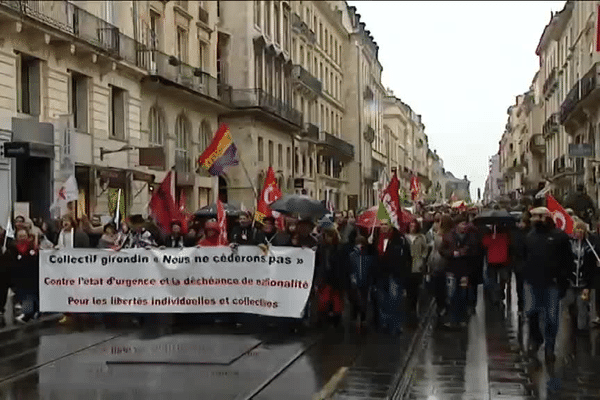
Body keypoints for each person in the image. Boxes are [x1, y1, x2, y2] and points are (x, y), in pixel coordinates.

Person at [523, 207, 574, 364]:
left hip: (552, 283)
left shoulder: (559, 237)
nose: (535, 219)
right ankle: (536, 339)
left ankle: (550, 347)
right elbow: (524, 256)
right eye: (533, 217)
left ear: (546, 217)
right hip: (533, 281)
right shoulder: (530, 236)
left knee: (552, 317)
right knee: (532, 312)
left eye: (538, 216)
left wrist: (563, 281)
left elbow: (568, 260)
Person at [440, 214, 480, 328]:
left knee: (462, 295)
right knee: (452, 295)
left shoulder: (470, 236)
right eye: (462, 224)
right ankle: (453, 319)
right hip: (451, 269)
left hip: (464, 270)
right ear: (457, 225)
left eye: (465, 223)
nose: (465, 226)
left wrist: (466, 251)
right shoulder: (448, 236)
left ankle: (462, 319)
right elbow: (442, 250)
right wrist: (452, 253)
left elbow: (475, 250)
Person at [374, 221, 412, 334]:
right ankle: (384, 323)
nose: (383, 227)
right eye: (381, 225)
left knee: (394, 300)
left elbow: (407, 258)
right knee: (383, 300)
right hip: (381, 274)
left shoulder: (400, 240)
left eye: (385, 224)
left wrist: (405, 274)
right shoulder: (376, 239)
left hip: (395, 274)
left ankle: (395, 325)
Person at [565, 221, 596, 334]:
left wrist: (588, 285)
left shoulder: (589, 247)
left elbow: (591, 267)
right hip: (571, 281)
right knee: (570, 302)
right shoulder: (569, 245)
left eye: (581, 230)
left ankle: (582, 328)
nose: (579, 233)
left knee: (582, 305)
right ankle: (573, 323)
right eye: (577, 230)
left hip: (583, 282)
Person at [347, 234, 376, 333]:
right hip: (356, 281)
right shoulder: (353, 255)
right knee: (356, 300)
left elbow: (370, 269)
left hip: (364, 281)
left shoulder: (366, 255)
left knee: (362, 301)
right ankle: (356, 317)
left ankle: (361, 318)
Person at [11, 228, 39, 323]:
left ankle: (28, 314)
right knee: (23, 295)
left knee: (30, 295)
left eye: (24, 236)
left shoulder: (32, 247)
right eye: (20, 236)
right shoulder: (14, 248)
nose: (22, 238)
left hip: (31, 275)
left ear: (27, 237)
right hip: (20, 276)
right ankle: (30, 313)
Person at [427, 214, 453, 317]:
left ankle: (443, 308)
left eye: (439, 221)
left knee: (442, 289)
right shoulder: (439, 234)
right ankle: (441, 307)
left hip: (442, 264)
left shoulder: (445, 236)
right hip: (437, 265)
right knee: (440, 289)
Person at [482, 224, 512, 306]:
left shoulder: (489, 236)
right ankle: (501, 292)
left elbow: (485, 244)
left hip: (492, 261)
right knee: (502, 279)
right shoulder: (505, 236)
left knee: (492, 279)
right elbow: (508, 244)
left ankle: (495, 296)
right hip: (503, 260)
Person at [406, 220, 428, 324]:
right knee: (409, 290)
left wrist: (422, 259)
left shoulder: (421, 237)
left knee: (416, 289)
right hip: (407, 266)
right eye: (411, 225)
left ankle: (415, 309)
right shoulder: (405, 238)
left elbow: (425, 249)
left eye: (414, 226)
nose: (412, 227)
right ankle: (409, 309)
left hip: (417, 265)